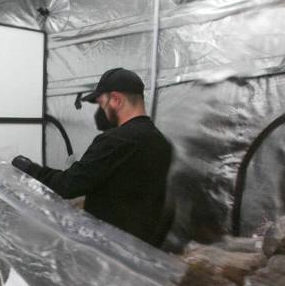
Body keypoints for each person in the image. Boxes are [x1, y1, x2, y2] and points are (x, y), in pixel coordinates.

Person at [11, 68, 174, 247]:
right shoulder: (162, 142)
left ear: (116, 100)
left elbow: (67, 185)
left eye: (101, 104)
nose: (101, 112)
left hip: (112, 251)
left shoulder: (116, 140)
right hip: (145, 249)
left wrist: (29, 169)